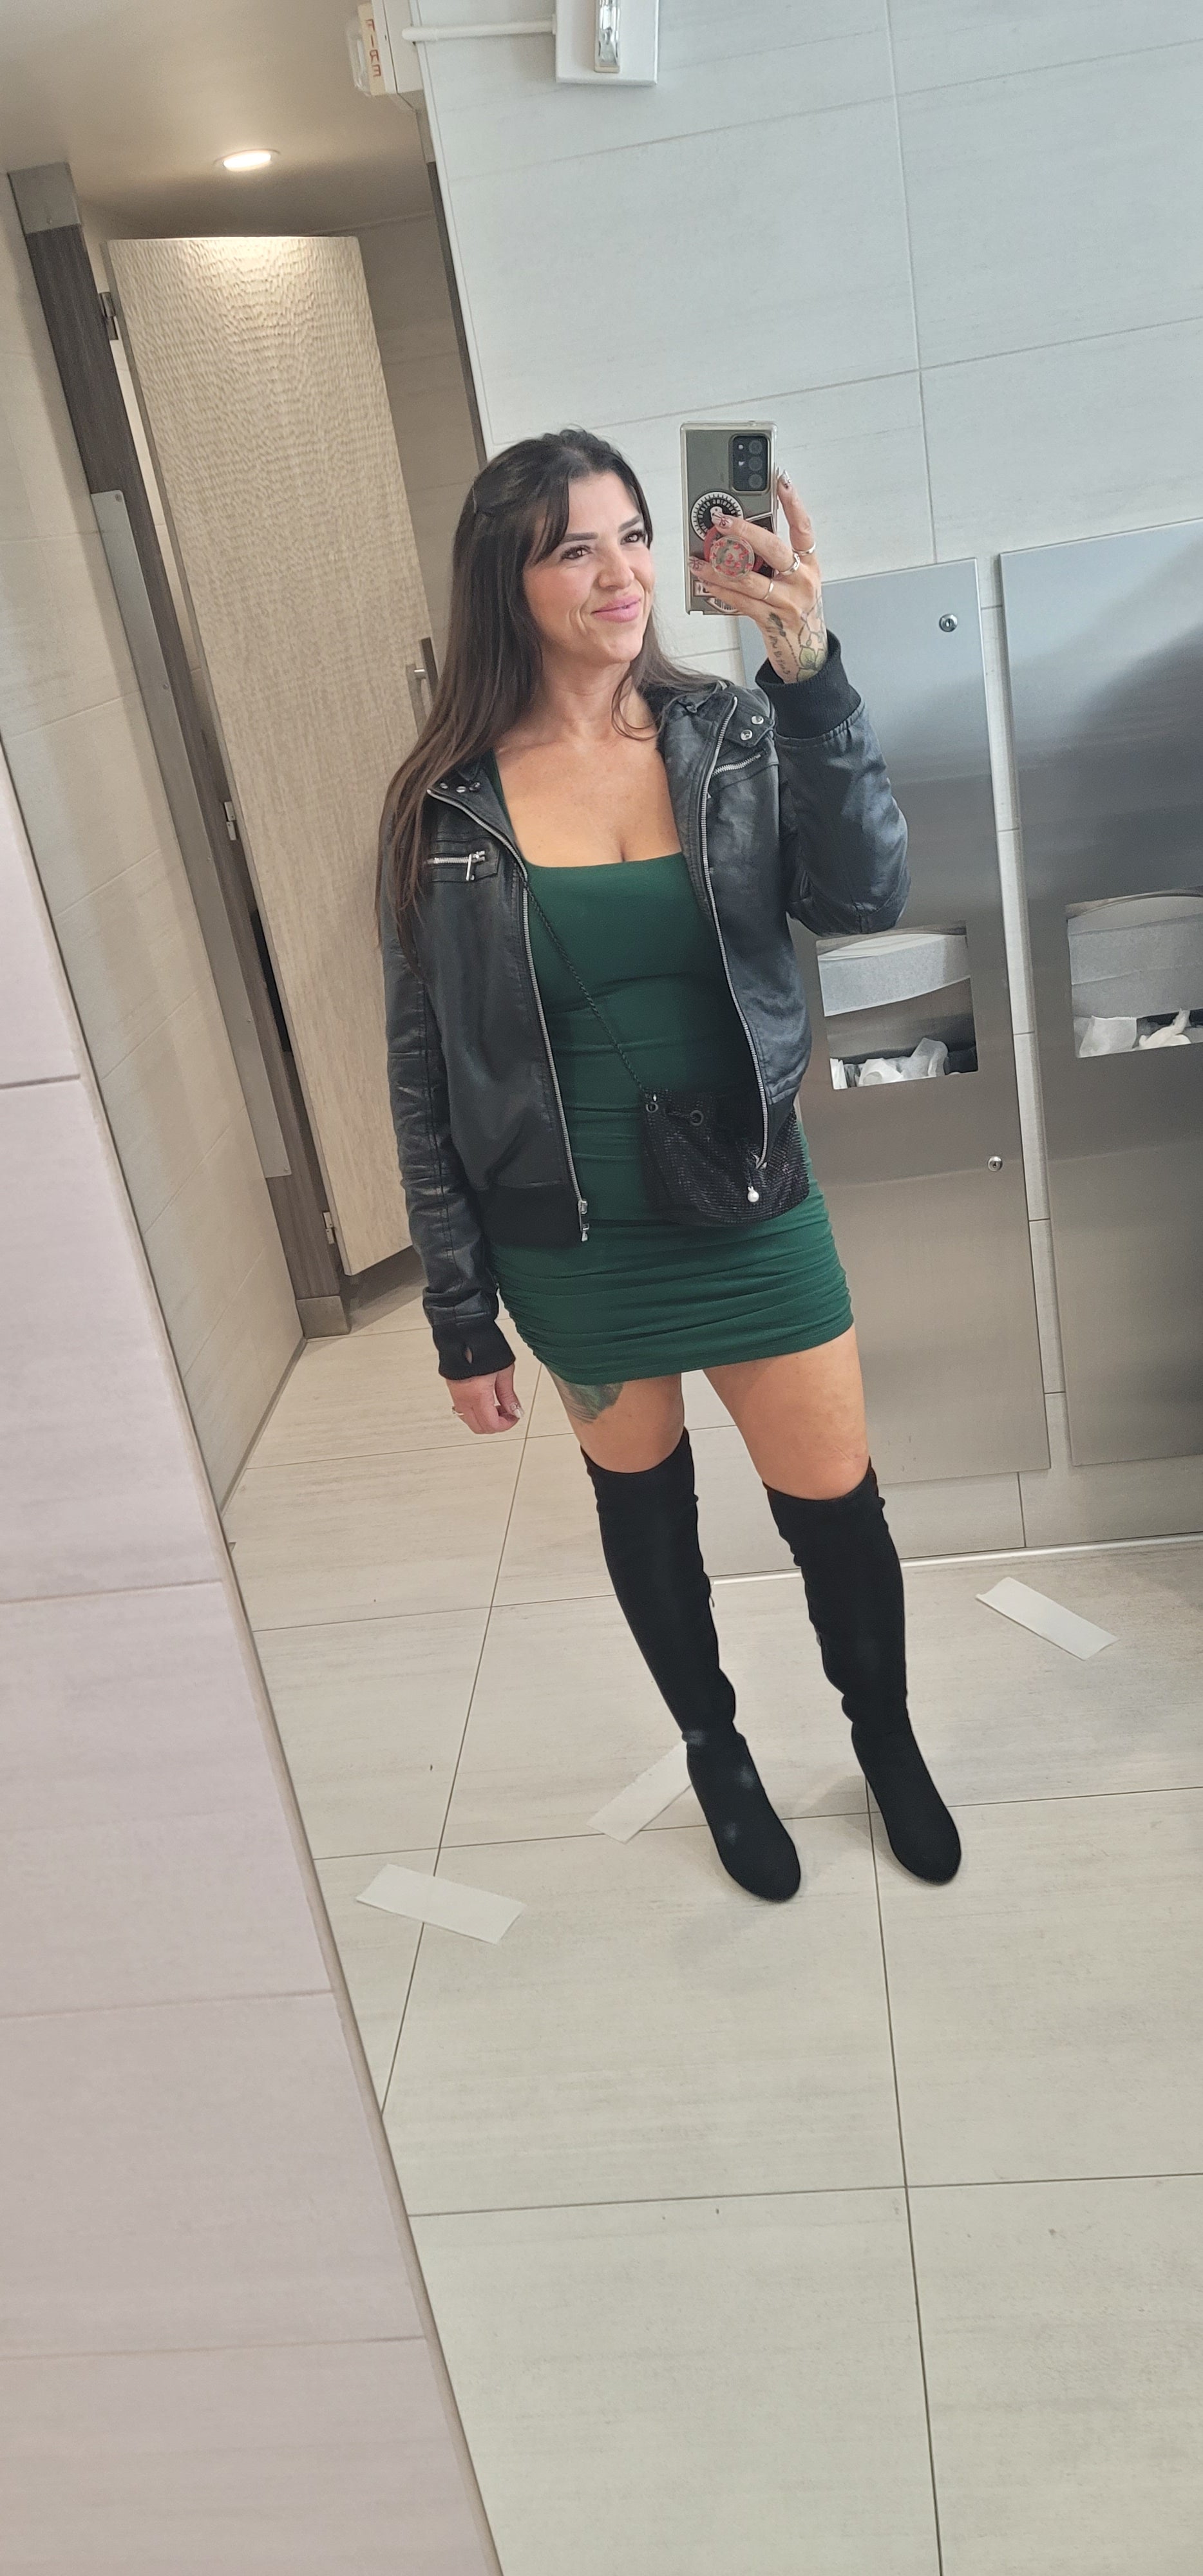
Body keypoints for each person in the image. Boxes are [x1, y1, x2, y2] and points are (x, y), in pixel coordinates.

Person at [378, 427, 960, 1904]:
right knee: (648, 1519)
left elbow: (864, 893)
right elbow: (424, 1077)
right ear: (504, 583)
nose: (621, 572)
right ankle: (716, 1750)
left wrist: (808, 670)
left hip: (755, 1201)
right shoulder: (443, 804)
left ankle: (884, 1737)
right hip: (571, 1240)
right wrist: (459, 1313)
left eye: (633, 535)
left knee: (836, 1504)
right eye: (574, 547)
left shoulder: (732, 731)